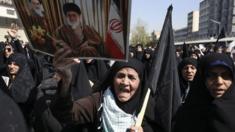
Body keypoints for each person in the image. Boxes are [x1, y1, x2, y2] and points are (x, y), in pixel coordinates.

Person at [50, 47, 148, 131]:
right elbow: (66, 114)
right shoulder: (99, 101)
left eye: (131, 77)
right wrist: (66, 81)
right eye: (120, 76)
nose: (125, 82)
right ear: (112, 79)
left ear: (140, 82)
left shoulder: (146, 108)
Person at [174, 53, 235, 132]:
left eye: (225, 75)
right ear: (202, 78)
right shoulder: (186, 114)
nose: (219, 82)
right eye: (211, 75)